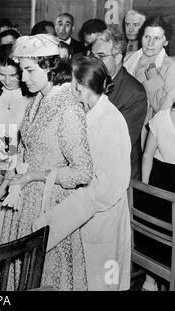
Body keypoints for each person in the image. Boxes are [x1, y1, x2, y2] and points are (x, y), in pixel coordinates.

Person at [0, 34, 93, 291]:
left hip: (51, 207)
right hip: (26, 203)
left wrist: (33, 177)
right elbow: (21, 158)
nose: (23, 78)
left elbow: (83, 172)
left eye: (29, 70)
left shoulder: (68, 106)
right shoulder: (39, 98)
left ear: (49, 66)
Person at [33, 57, 132, 291]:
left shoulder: (112, 122)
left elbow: (110, 187)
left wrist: (65, 212)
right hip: (82, 213)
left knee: (102, 282)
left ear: (78, 87)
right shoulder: (82, 112)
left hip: (102, 216)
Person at [139, 76, 175, 291]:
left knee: (158, 226)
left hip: (158, 191)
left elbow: (147, 156)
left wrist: (146, 189)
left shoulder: (161, 117)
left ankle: (150, 282)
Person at [91, 29, 147, 180]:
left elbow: (118, 144)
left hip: (118, 175)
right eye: (92, 55)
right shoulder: (89, 82)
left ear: (118, 58)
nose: (94, 62)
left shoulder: (135, 93)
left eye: (101, 56)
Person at [0, 44, 32, 175]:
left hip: (26, 161)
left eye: (14, 75)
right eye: (2, 74)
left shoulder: (32, 95)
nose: (8, 81)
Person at [124, 16, 175, 114]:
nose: (150, 43)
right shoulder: (127, 59)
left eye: (157, 38)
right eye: (147, 37)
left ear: (166, 42)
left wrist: (154, 80)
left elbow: (166, 112)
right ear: (141, 37)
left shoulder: (173, 69)